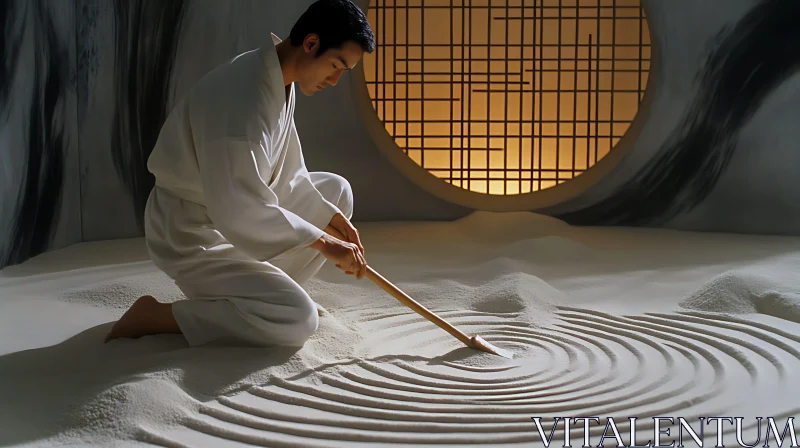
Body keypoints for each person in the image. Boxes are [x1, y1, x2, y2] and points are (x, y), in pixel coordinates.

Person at [104, 0, 375, 347]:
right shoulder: (244, 96)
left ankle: (267, 298)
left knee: (337, 192)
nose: (335, 81)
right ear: (311, 44)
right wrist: (323, 242)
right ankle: (159, 316)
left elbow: (287, 176)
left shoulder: (277, 79)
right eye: (336, 66)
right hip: (191, 231)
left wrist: (330, 221)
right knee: (298, 321)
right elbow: (241, 208)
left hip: (232, 214)